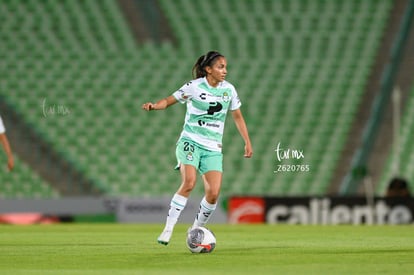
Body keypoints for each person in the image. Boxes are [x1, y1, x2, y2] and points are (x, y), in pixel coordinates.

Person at [142, 50, 253, 245]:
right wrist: (154, 106)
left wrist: (247, 141)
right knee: (189, 182)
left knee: (213, 193)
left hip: (213, 147)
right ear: (208, 69)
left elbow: (237, 115)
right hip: (190, 141)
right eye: (220, 67)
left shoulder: (229, 90)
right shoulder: (193, 87)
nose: (225, 71)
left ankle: (194, 231)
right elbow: (169, 100)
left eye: (225, 67)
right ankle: (168, 229)